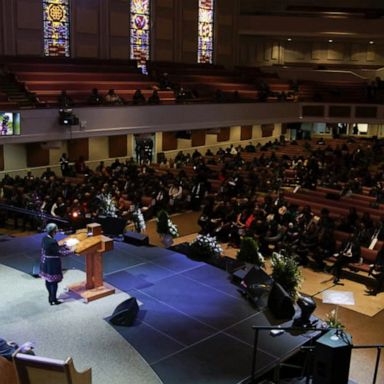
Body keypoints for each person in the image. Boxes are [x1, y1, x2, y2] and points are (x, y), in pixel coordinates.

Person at [39, 223, 72, 305]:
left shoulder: (45, 238)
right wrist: (72, 251)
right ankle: (54, 299)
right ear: (54, 231)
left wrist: (62, 245)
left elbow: (52, 249)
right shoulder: (53, 241)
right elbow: (60, 253)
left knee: (48, 280)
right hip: (52, 264)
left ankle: (50, 297)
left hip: (45, 262)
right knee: (54, 282)